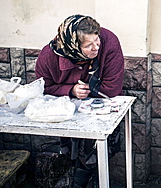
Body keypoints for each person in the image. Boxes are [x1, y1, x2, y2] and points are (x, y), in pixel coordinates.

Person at [35, 14, 124, 188]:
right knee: (71, 151)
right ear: (72, 46)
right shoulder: (49, 55)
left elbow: (112, 88)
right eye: (88, 45)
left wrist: (82, 91)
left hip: (101, 110)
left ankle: (85, 182)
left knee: (96, 150)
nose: (96, 47)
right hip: (66, 112)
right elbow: (42, 86)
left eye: (97, 40)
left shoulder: (109, 42)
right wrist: (70, 90)